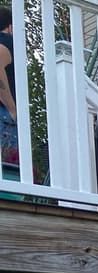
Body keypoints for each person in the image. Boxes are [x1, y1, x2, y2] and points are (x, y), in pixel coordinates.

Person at [0, 8, 17, 166]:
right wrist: (12, 107)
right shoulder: (6, 40)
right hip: (4, 115)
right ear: (10, 26)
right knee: (9, 170)